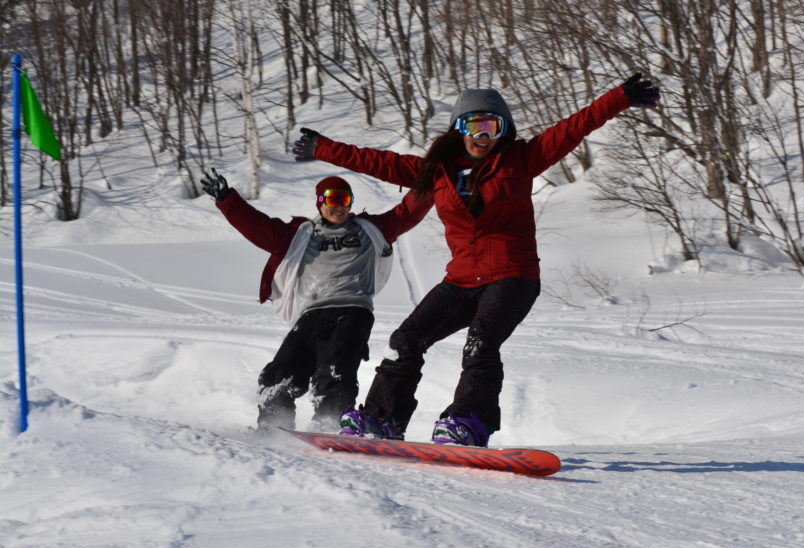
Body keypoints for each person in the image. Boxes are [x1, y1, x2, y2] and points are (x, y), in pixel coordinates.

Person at [290, 73, 660, 446]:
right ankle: (381, 418)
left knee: (480, 343)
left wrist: (621, 97)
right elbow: (377, 161)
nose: (482, 136)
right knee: (405, 340)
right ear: (458, 128)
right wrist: (323, 148)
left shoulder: (520, 160)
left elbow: (571, 129)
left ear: (503, 130)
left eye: (491, 127)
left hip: (512, 276)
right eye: (473, 125)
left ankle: (469, 422)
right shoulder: (437, 170)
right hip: (462, 279)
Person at [200, 169, 430, 432]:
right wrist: (227, 199)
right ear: (320, 202)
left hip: (353, 311)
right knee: (279, 373)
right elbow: (257, 226)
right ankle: (274, 425)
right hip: (312, 314)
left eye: (345, 200)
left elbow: (408, 211)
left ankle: (329, 423)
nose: (339, 207)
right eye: (332, 199)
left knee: (335, 369)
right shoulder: (301, 234)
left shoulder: (371, 229)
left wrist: (434, 180)